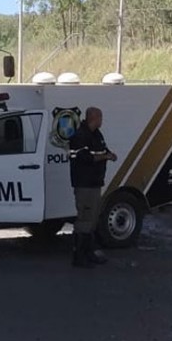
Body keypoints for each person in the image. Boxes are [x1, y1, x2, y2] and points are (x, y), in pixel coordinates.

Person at [68, 107, 117, 268]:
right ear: (93, 118)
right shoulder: (79, 136)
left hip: (95, 183)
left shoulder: (97, 135)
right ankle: (79, 256)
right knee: (84, 218)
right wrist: (105, 156)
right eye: (100, 117)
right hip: (84, 184)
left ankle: (89, 252)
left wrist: (110, 154)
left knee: (93, 219)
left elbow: (103, 149)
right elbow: (84, 157)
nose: (102, 121)